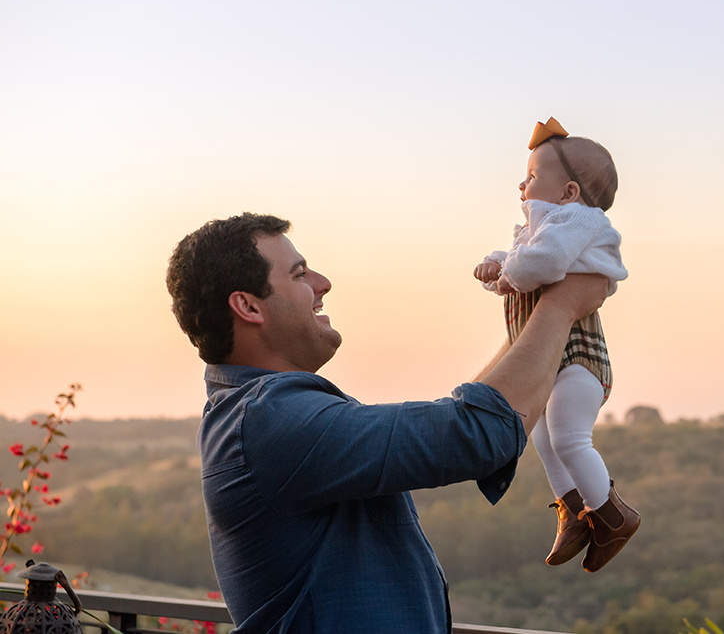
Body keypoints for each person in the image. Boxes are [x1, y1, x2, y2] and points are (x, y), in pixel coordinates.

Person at [165, 212, 608, 633]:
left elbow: (469, 418)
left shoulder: (256, 416)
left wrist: (532, 319)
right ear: (248, 306)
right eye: (299, 274)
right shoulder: (268, 421)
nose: (323, 283)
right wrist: (562, 305)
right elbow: (475, 433)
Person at [472, 117, 640, 573]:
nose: (522, 184)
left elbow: (539, 265)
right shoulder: (542, 230)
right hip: (556, 359)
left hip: (581, 359)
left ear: (568, 192)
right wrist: (495, 266)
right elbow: (523, 263)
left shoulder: (579, 220)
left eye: (532, 176)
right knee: (544, 437)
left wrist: (506, 273)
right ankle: (574, 512)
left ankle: (612, 515)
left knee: (568, 436)